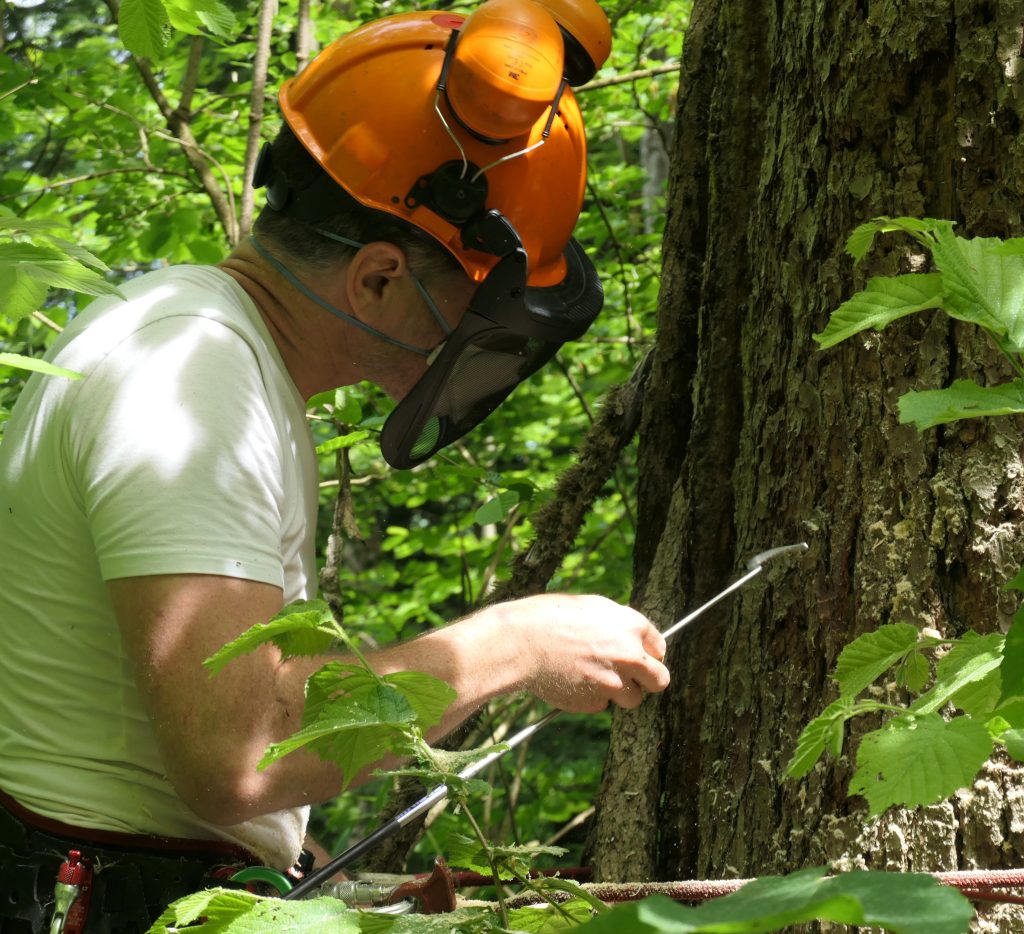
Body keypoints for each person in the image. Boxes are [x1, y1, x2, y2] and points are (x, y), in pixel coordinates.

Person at [0, 0, 670, 929]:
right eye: (480, 315)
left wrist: (293, 857)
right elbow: (237, 755)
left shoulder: (216, 357)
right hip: (99, 898)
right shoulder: (193, 374)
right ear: (380, 278)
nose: (474, 347)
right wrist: (515, 644)